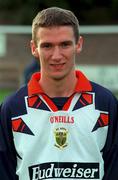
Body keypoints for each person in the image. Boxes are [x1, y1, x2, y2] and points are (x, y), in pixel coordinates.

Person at [0, 7, 118, 180]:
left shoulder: (105, 104)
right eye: (47, 46)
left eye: (65, 44)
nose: (56, 56)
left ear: (78, 44)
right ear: (34, 48)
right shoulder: (12, 108)